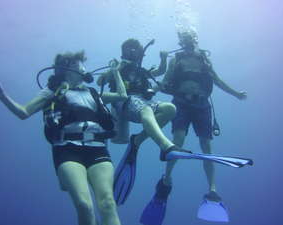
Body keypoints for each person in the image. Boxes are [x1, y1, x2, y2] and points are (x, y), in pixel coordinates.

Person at [97, 39, 253, 210]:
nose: (132, 53)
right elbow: (100, 82)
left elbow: (160, 71)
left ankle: (139, 140)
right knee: (163, 125)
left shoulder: (200, 62)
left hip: (182, 103)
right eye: (129, 50)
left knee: (170, 109)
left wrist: (162, 59)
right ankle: (166, 150)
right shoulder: (121, 67)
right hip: (127, 102)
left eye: (135, 50)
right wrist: (116, 69)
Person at [0, 51, 127, 225]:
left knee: (108, 203)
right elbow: (24, 112)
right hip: (67, 149)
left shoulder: (93, 93)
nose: (83, 67)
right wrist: (1, 96)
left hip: (97, 147)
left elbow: (122, 96)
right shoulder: (52, 92)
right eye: (79, 63)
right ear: (68, 68)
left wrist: (116, 72)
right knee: (84, 205)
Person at [141, 30, 248, 224]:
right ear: (181, 41)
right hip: (181, 103)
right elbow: (165, 81)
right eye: (185, 39)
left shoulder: (205, 60)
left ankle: (212, 189)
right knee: (178, 140)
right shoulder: (176, 59)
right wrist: (151, 91)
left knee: (206, 146)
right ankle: (166, 180)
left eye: (190, 38)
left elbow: (217, 80)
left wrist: (236, 93)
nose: (188, 41)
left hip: (202, 105)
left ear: (195, 40)